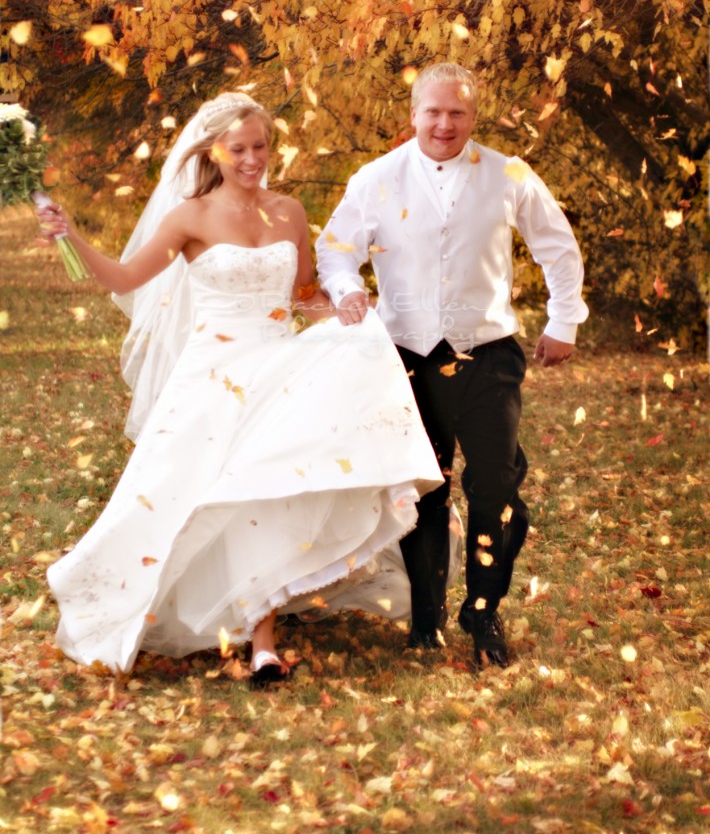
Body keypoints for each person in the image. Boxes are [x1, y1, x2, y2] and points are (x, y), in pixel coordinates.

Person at [36, 92, 453, 684]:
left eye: (261, 146)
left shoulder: (288, 212)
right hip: (210, 376)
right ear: (215, 150)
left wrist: (348, 311)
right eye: (239, 149)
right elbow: (125, 277)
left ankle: (263, 642)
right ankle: (112, 590)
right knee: (173, 498)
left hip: (277, 368)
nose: (253, 158)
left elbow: (305, 295)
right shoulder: (189, 216)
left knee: (266, 494)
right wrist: (71, 237)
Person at [316, 63, 589, 668]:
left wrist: (563, 321)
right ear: (413, 114)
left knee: (496, 488)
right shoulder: (377, 179)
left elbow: (558, 246)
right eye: (432, 111)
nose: (444, 123)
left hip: (488, 356)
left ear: (473, 116)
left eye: (457, 113)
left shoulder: (509, 174)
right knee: (424, 490)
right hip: (406, 356)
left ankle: (484, 613)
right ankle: (426, 621)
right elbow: (334, 250)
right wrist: (345, 290)